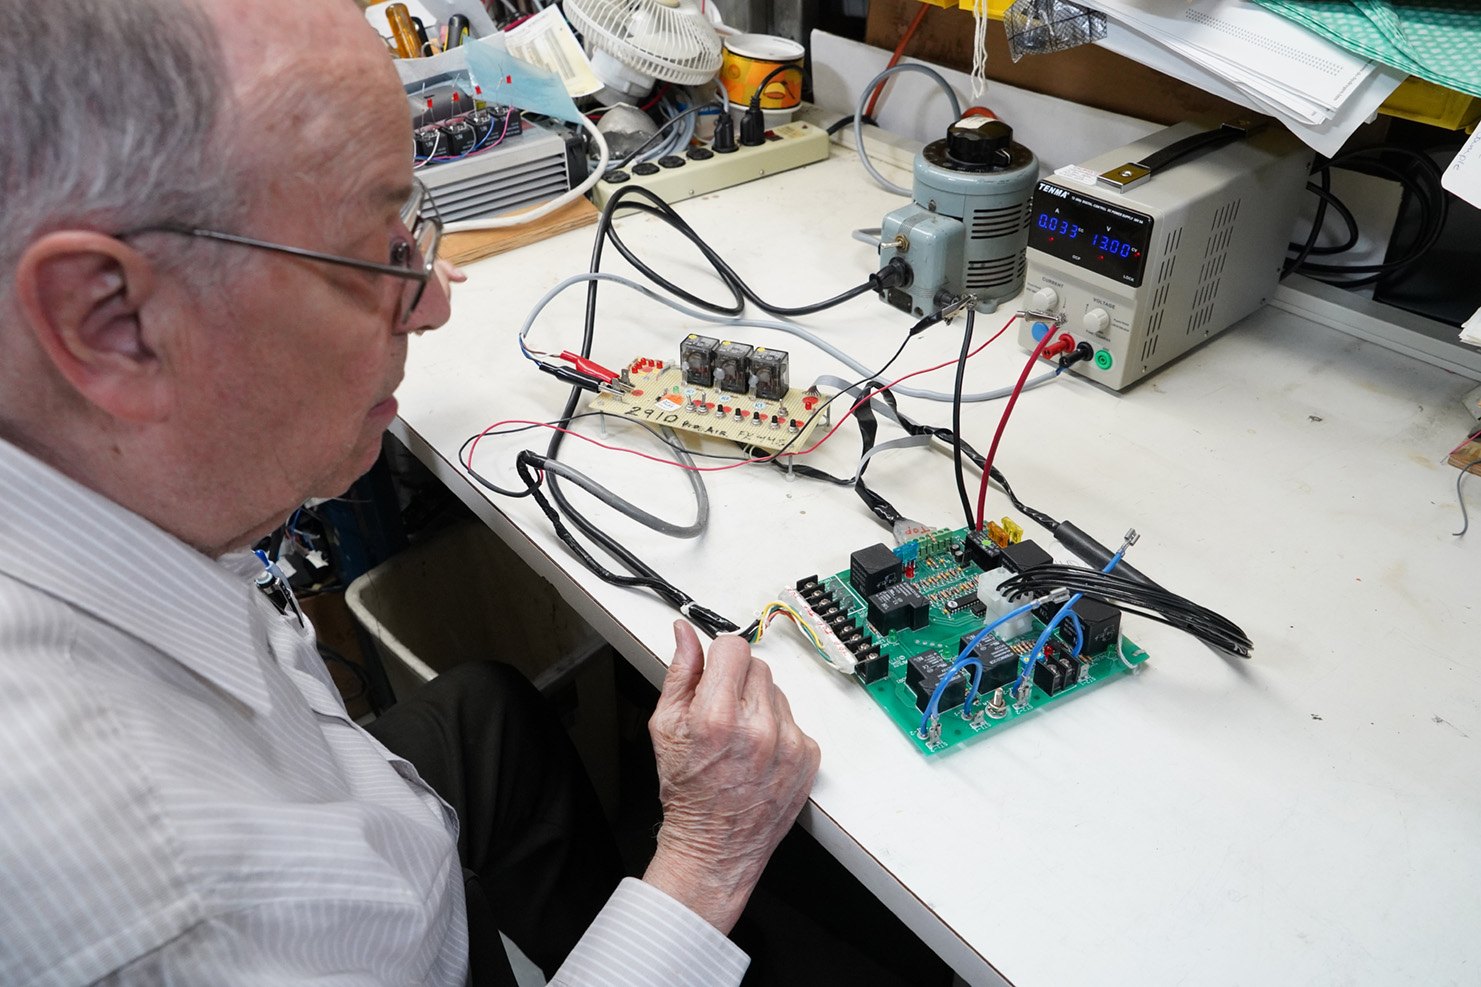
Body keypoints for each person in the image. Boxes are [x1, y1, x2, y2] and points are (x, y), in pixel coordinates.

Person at [0, 0, 820, 984]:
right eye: (380, 257)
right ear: (110, 320)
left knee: (489, 710)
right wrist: (702, 857)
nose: (432, 304)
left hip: (368, 815)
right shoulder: (172, 911)